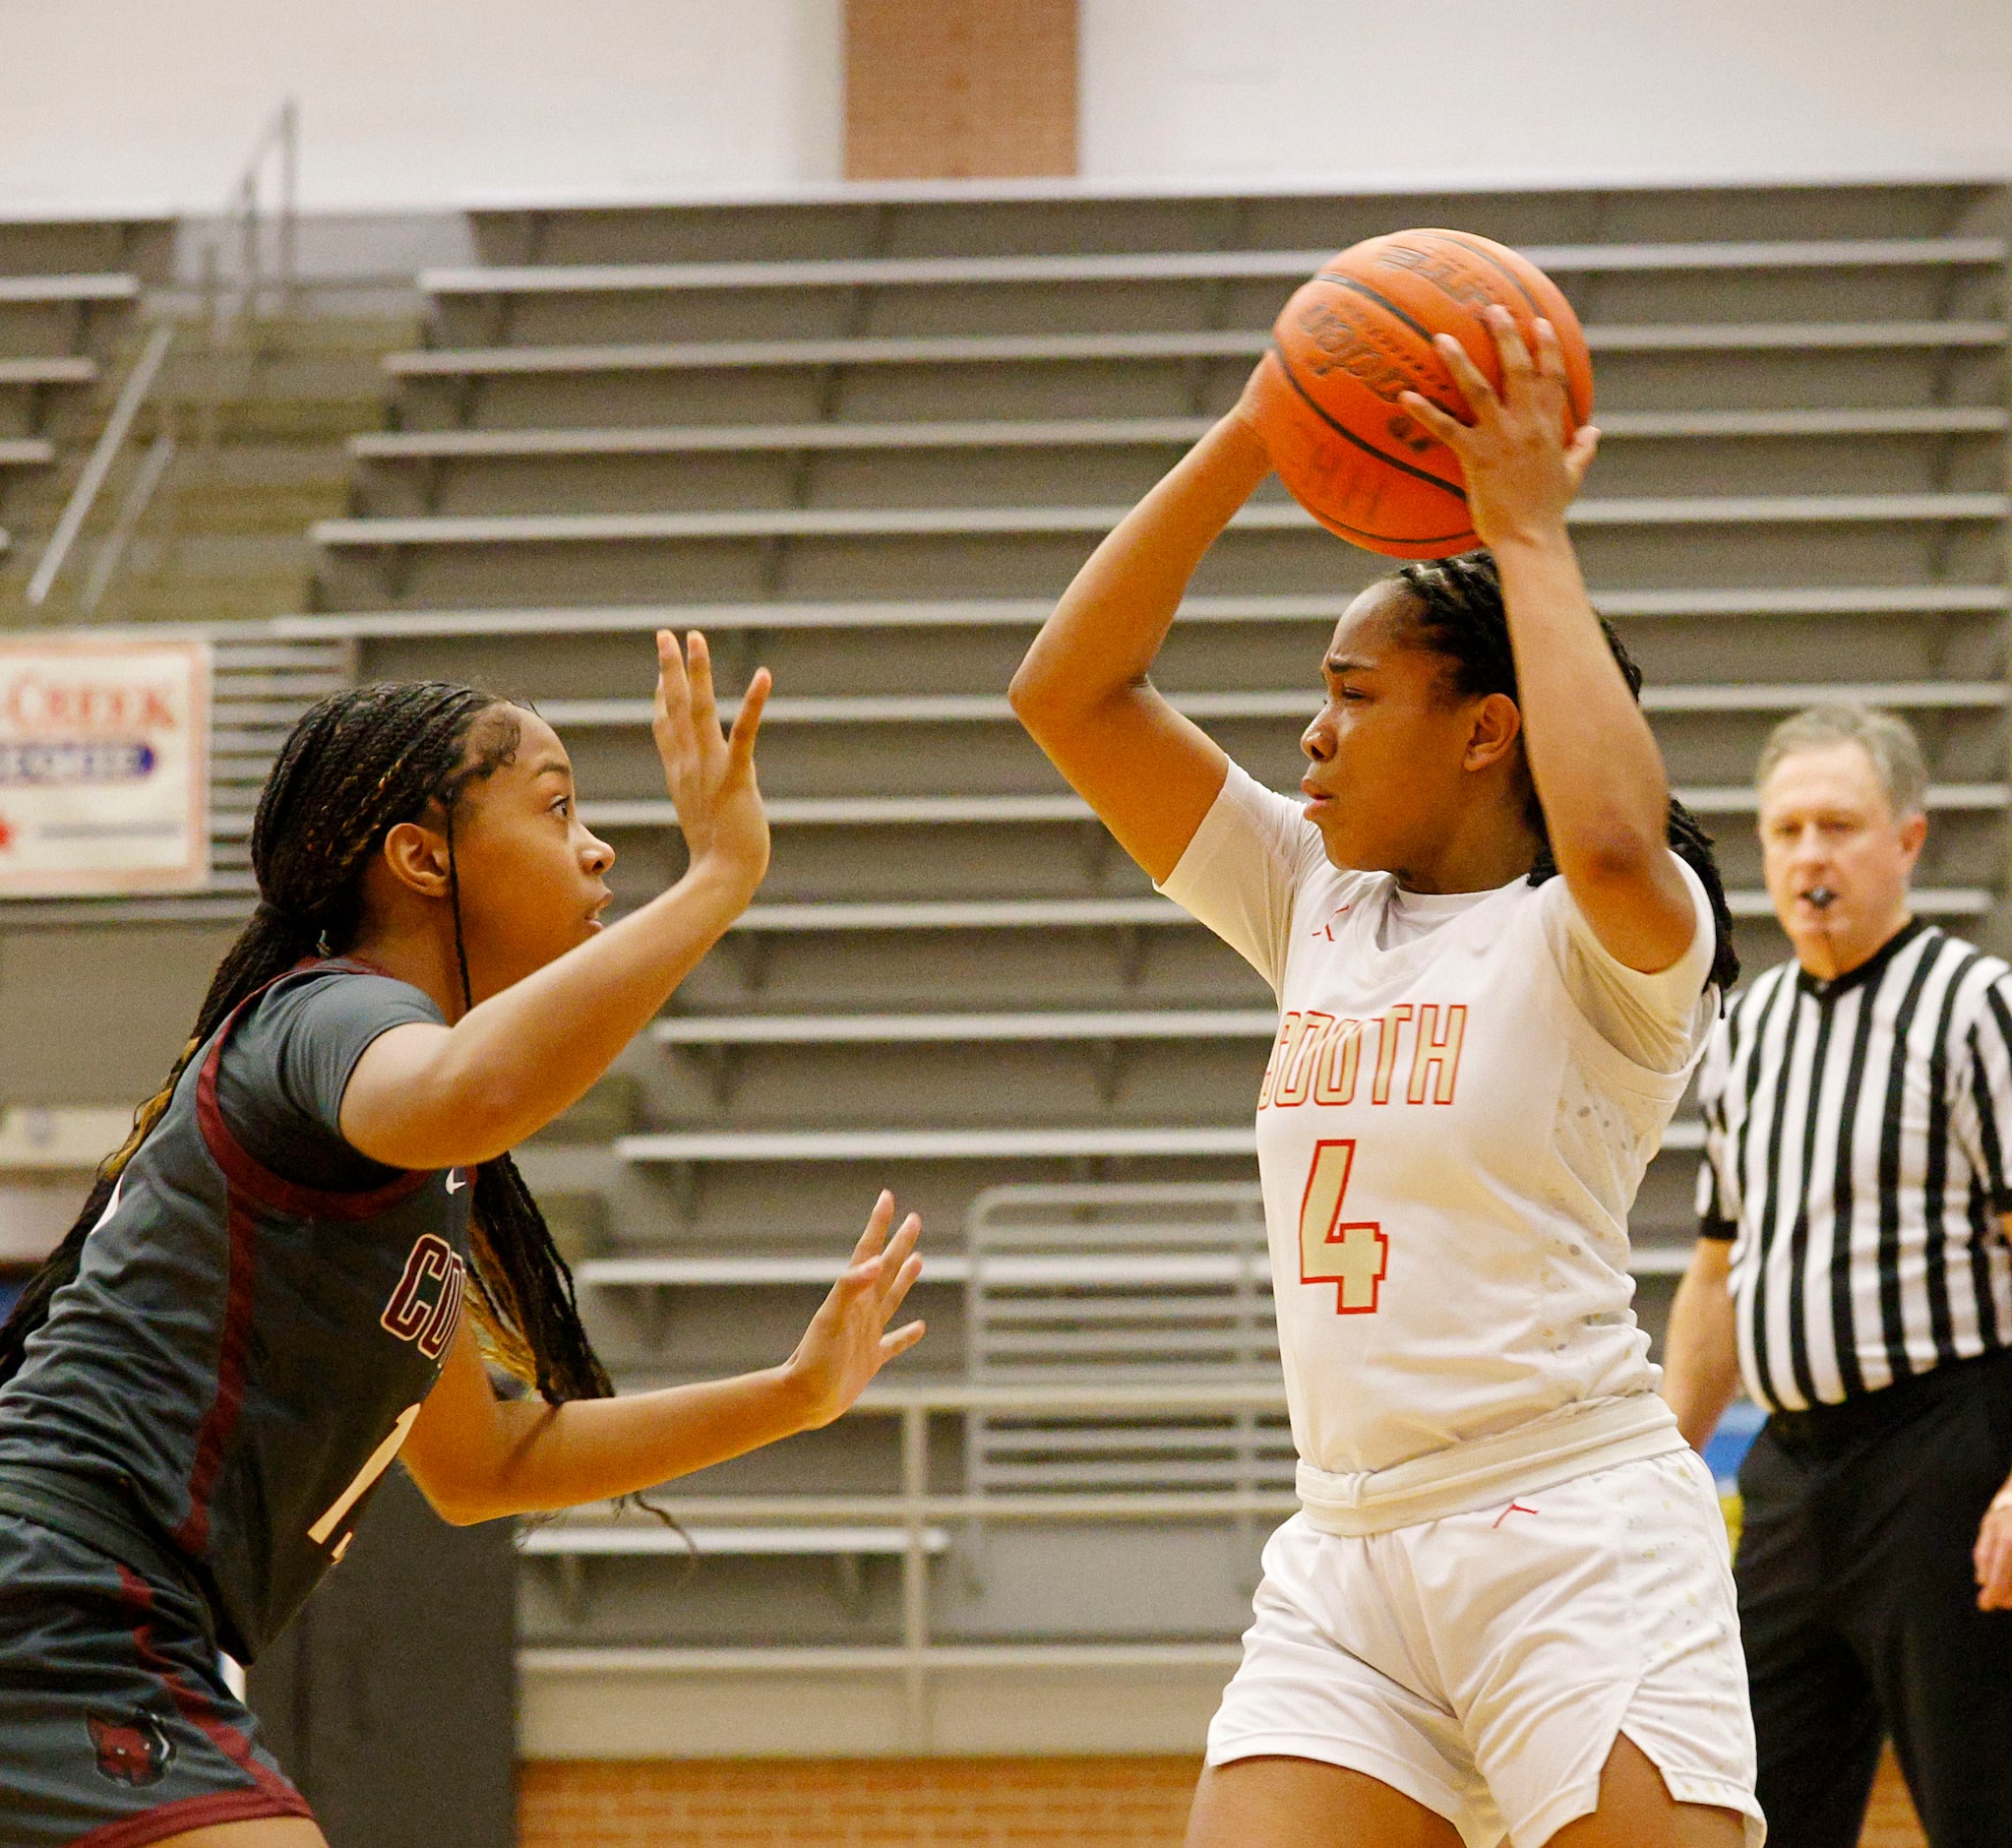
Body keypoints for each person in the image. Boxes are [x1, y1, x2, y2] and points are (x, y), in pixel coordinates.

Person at [1010, 307, 1759, 1848]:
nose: (1310, 732)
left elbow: (1614, 829)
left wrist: (1529, 530)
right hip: (1350, 1549)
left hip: (1574, 1528)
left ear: (1488, 729)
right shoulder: (1317, 902)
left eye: (1355, 692)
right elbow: (1068, 692)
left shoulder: (1602, 933)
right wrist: (1258, 428)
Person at [0, 633, 927, 1848]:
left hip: (108, 1610)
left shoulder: (400, 1146)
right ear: (422, 856)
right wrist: (715, 883)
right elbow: (471, 1092)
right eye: (555, 809)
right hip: (61, 1594)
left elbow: (483, 1463)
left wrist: (794, 1396)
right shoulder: (333, 1016)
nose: (595, 848)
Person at [1662, 703, 2012, 1848]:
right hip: (1787, 1478)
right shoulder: (1746, 1028)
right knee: (1748, 1811)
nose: (1808, 856)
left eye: (1837, 826)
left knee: (1981, 1804)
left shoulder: (1974, 1008)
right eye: (1786, 831)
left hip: (1945, 1458)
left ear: (1904, 840)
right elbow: (1716, 1272)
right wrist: (1655, 1478)